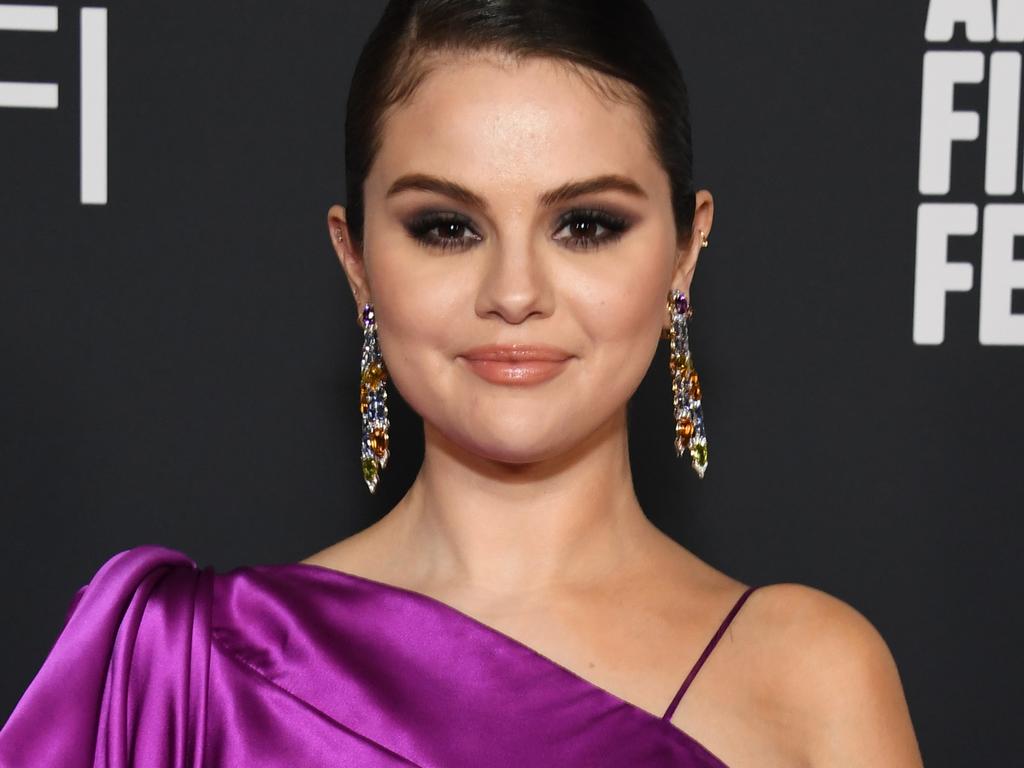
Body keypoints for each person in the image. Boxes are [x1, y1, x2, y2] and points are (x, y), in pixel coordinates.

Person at [0, 1, 924, 765]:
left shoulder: (811, 680)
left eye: (588, 224)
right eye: (446, 227)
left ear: (686, 248)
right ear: (355, 257)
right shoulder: (189, 673)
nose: (514, 293)